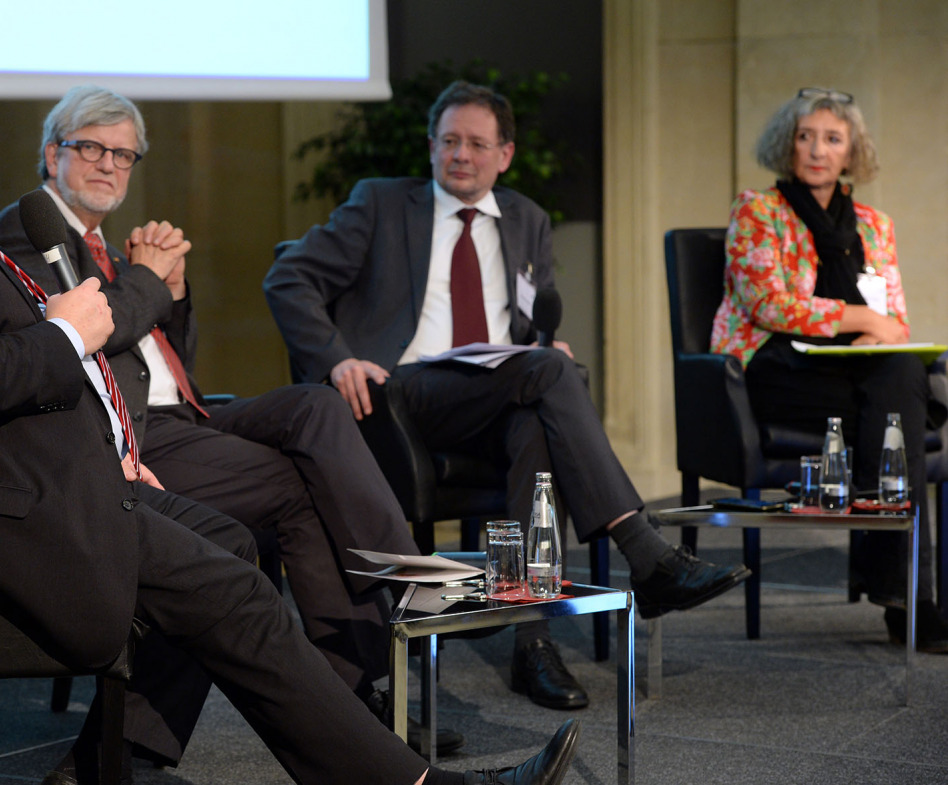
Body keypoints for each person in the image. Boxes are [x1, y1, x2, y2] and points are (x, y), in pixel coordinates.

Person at [0, 37, 581, 785]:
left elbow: (12, 371)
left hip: (30, 473)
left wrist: (104, 396)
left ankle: (115, 756)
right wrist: (73, 329)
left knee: (233, 535)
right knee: (235, 589)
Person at [0, 85, 461, 757]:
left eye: (125, 155)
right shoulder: (28, 227)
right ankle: (361, 680)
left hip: (188, 415)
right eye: (91, 147)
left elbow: (170, 359)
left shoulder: (107, 248)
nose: (109, 165)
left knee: (317, 404)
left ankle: (400, 597)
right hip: (132, 439)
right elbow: (82, 342)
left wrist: (171, 291)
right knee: (300, 484)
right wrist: (148, 280)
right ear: (50, 152)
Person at [264, 80, 752, 711]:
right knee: (548, 377)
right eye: (448, 141)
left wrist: (546, 347)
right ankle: (644, 550)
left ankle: (533, 643)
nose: (460, 154)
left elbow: (528, 324)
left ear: (505, 154)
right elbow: (288, 277)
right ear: (431, 147)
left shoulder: (528, 219)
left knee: (537, 422)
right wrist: (335, 359)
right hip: (402, 396)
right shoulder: (381, 205)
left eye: (475, 143)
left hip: (494, 394)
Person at [712, 87, 948, 652]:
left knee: (900, 380)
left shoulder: (875, 224)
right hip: (774, 368)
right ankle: (908, 602)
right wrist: (861, 317)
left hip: (849, 374)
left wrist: (875, 328)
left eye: (832, 139)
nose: (817, 149)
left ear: (850, 153)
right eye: (805, 136)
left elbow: (894, 323)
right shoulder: (757, 211)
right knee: (906, 402)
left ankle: (903, 593)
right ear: (787, 145)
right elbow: (768, 303)